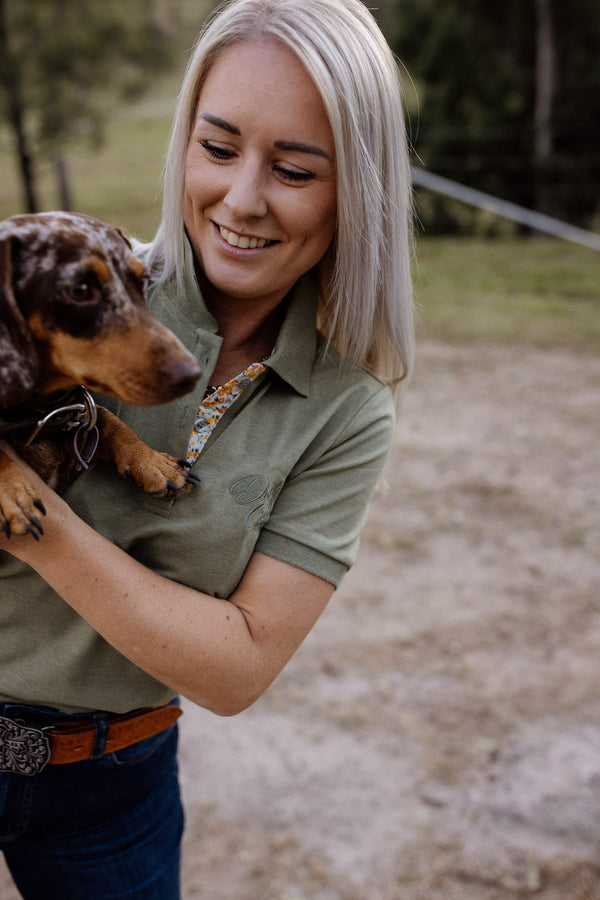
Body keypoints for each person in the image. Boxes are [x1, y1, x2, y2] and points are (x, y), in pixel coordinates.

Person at [0, 0, 414, 896]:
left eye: (296, 169)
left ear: (360, 189)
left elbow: (234, 669)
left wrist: (37, 525)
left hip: (113, 786)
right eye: (218, 149)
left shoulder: (347, 408)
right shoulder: (83, 293)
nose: (242, 199)